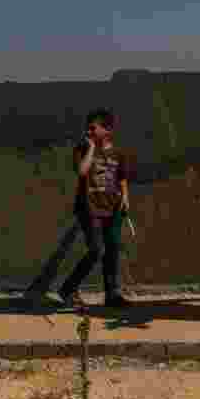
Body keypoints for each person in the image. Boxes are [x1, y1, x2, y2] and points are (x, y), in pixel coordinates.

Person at [57, 108, 134, 309]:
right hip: (89, 208)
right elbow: (82, 172)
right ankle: (67, 289)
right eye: (87, 128)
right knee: (96, 250)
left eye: (93, 128)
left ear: (108, 129)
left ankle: (112, 295)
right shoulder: (82, 149)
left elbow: (122, 177)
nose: (88, 131)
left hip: (113, 209)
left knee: (113, 250)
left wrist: (125, 197)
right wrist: (91, 148)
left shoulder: (118, 152)